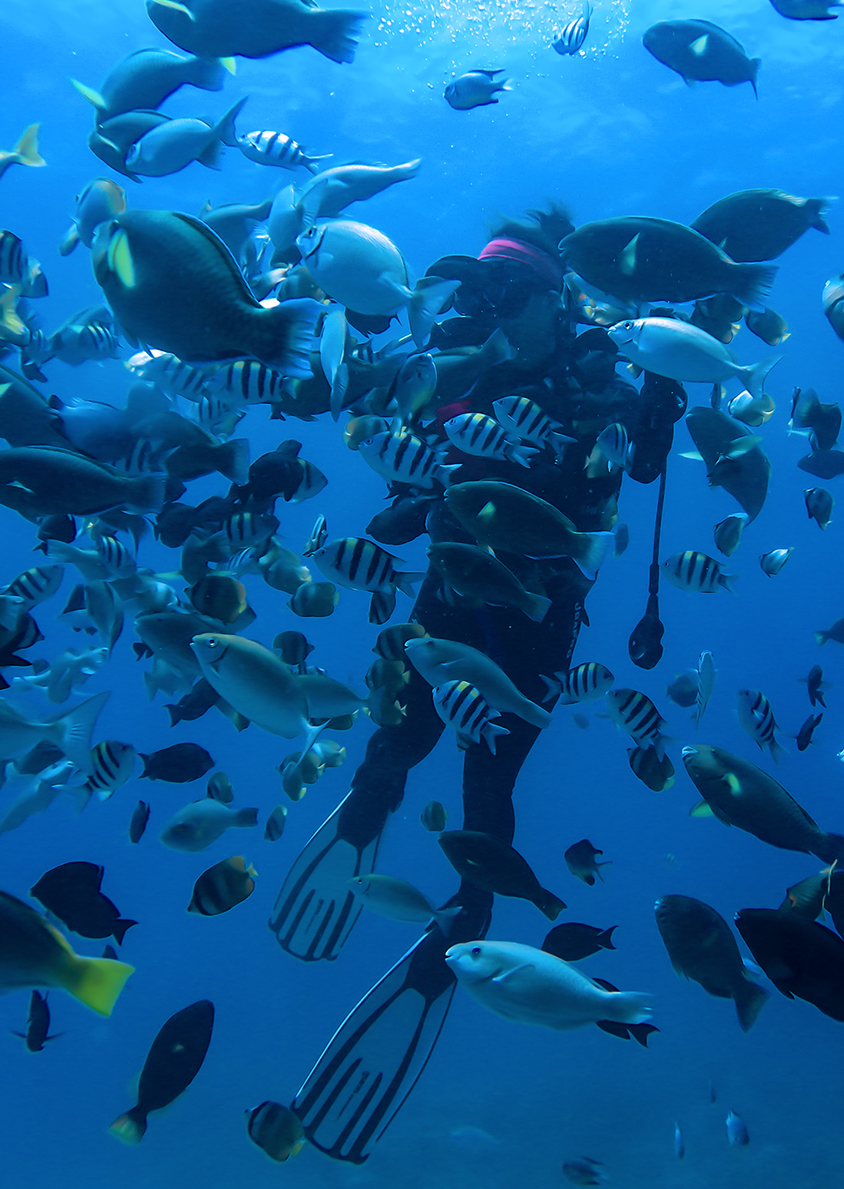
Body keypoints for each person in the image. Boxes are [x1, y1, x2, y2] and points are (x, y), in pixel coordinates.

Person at [268, 206, 667, 1162]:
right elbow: (401, 441)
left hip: (539, 617)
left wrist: (658, 397)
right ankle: (368, 807)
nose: (493, 308)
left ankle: (467, 922)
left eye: (513, 292)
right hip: (448, 588)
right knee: (400, 737)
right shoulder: (458, 357)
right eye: (484, 291)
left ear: (556, 298)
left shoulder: (598, 374)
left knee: (487, 785)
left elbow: (640, 463)